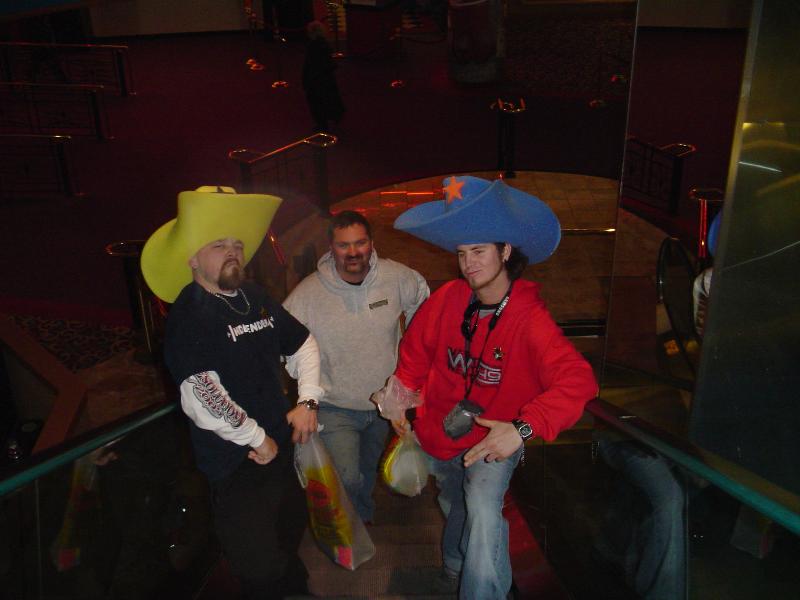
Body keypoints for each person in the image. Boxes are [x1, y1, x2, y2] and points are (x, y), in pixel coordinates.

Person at [387, 176, 598, 599]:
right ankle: (453, 566)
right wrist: (400, 399)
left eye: (479, 251)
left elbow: (580, 380)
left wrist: (522, 428)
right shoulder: (448, 298)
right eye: (462, 253)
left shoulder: (529, 320)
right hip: (439, 433)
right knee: (455, 505)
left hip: (493, 441)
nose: (468, 264)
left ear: (505, 251)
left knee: (483, 512)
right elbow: (414, 353)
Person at [140, 186, 324, 599]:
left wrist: (308, 400)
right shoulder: (189, 315)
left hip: (281, 451)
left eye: (237, 245)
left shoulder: (254, 296)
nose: (233, 252)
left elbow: (303, 343)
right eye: (219, 245)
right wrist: (256, 438)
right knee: (257, 565)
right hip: (236, 465)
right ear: (192, 259)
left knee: (289, 535)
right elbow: (201, 393)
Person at [283, 210, 429, 522]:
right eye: (343, 245)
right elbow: (283, 343)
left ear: (371, 243)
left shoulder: (396, 277)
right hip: (335, 406)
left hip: (383, 406)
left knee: (368, 468)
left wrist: (412, 357)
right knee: (347, 476)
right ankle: (352, 523)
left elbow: (423, 304)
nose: (353, 252)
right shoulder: (308, 294)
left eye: (360, 243)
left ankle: (361, 520)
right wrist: (307, 387)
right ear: (331, 248)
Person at [302, 21, 345, 132]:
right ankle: (334, 118)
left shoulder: (312, 46)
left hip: (315, 79)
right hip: (327, 78)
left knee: (317, 102)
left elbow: (309, 65)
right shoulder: (325, 44)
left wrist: (305, 81)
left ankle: (322, 123)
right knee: (330, 99)